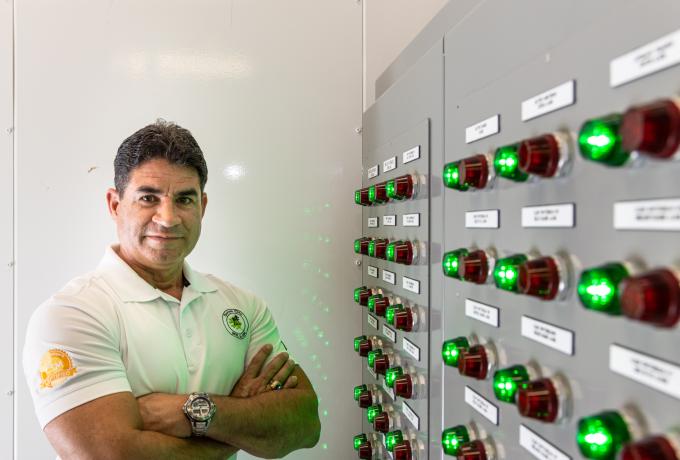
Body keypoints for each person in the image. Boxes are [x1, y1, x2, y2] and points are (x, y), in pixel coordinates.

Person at [22, 120, 321, 459]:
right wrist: (238, 423)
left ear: (202, 207)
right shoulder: (71, 315)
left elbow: (304, 424)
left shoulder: (242, 307)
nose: (168, 218)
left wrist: (195, 411)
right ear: (114, 204)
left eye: (184, 199)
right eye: (148, 197)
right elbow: (113, 455)